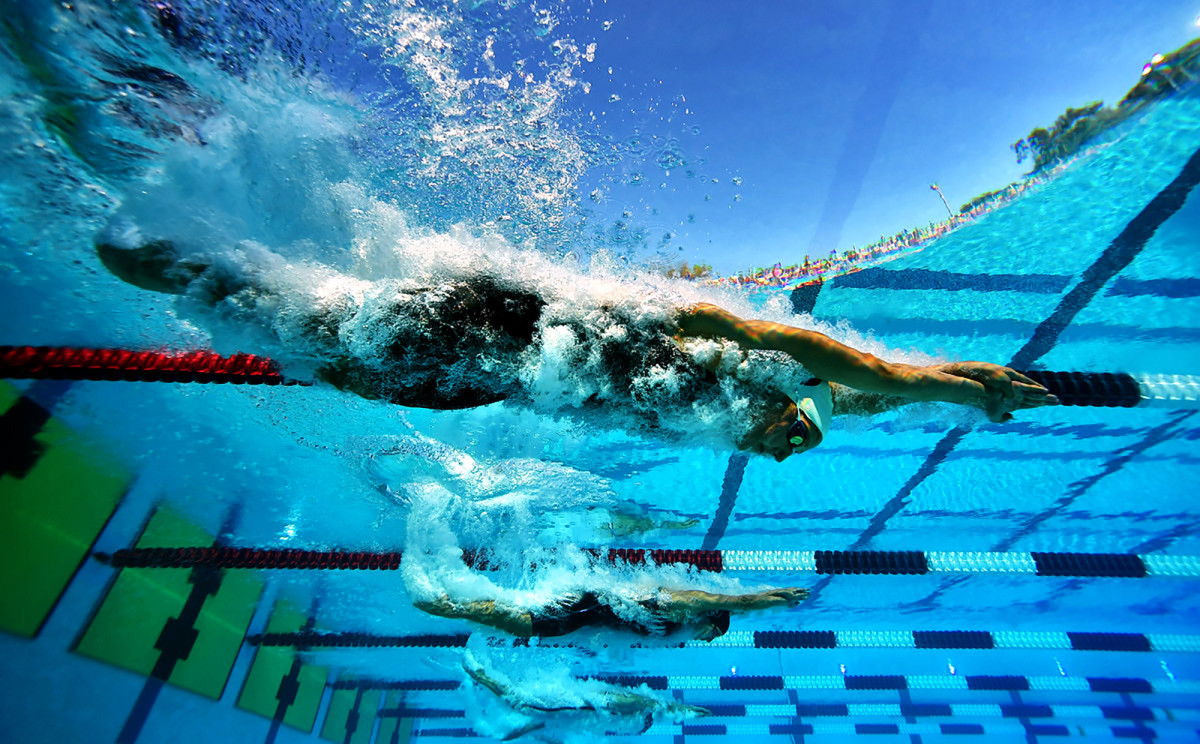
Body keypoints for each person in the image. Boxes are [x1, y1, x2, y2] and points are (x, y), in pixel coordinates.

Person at [96, 238, 1055, 462]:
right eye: (788, 434)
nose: (777, 442)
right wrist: (978, 394)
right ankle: (154, 241)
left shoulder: (765, 409)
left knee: (338, 359)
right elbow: (887, 376)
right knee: (302, 323)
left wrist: (958, 390)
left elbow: (882, 394)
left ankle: (184, 261)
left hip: (497, 373)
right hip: (497, 328)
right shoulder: (775, 343)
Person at [459, 649, 710, 740]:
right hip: (571, 704)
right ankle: (477, 672)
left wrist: (511, 735)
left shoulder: (603, 721)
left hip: (565, 707)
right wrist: (691, 712)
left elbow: (541, 727)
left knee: (522, 703)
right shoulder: (628, 708)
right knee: (521, 702)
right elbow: (657, 707)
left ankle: (480, 673)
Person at [413, 584, 809, 642]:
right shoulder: (683, 603)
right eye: (708, 634)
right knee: (516, 620)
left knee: (511, 615)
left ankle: (446, 600)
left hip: (585, 610)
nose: (701, 640)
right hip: (582, 608)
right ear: (707, 618)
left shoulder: (677, 627)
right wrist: (775, 596)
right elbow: (736, 604)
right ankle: (441, 602)